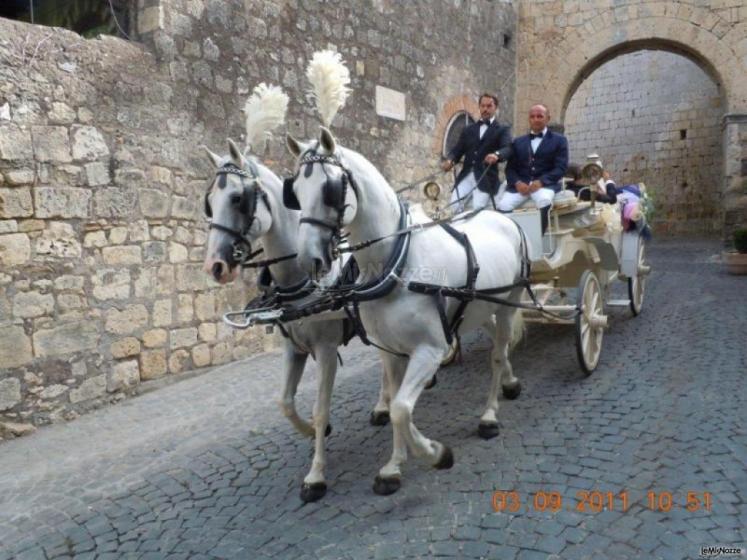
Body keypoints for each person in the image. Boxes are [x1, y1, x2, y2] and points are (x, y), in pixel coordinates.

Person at [501, 104, 568, 233]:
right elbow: (510, 169)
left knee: (544, 200)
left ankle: (538, 238)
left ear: (547, 118)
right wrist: (517, 183)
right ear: (529, 119)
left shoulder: (560, 141)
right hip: (521, 187)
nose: (536, 119)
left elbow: (561, 168)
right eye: (532, 117)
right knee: (503, 205)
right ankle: (511, 236)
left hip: (544, 186)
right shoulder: (518, 142)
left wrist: (541, 181)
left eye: (540, 116)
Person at [441, 93, 512, 211]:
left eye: (489, 106)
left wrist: (496, 155)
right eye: (483, 106)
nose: (485, 109)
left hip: (485, 178)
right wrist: (450, 160)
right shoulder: (469, 130)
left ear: (495, 108)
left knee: (477, 208)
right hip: (466, 175)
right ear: (479, 107)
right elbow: (457, 150)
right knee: (454, 205)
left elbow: (507, 148)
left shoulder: (502, 129)